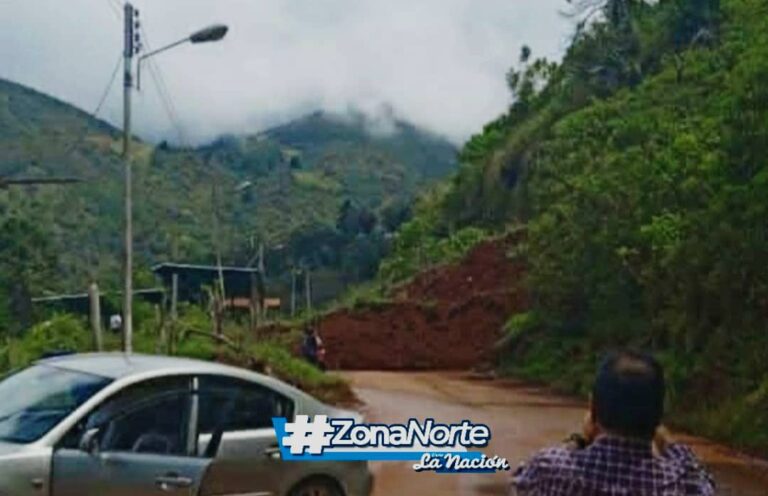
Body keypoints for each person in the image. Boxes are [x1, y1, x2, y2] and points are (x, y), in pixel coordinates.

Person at [510, 350, 715, 496]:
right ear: (659, 416)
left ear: (593, 408)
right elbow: (697, 474)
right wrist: (663, 437)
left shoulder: (548, 469)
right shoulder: (680, 482)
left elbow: (520, 483)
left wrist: (581, 441)